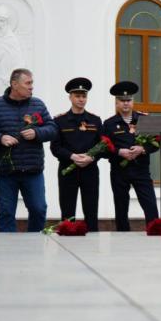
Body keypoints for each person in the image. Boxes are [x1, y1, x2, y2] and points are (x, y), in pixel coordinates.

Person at [0, 68, 58, 232]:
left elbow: (52, 129)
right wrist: (0, 138)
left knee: (38, 209)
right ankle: (7, 252)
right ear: (14, 84)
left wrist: (37, 133)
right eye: (28, 83)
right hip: (6, 171)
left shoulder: (38, 104)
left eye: (32, 83)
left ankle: (34, 245)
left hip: (33, 171)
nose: (31, 87)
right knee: (6, 213)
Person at [102, 81, 159, 231]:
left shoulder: (144, 119)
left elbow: (158, 142)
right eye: (122, 100)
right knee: (121, 208)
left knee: (150, 205)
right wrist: (119, 152)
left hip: (141, 170)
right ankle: (122, 237)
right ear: (116, 102)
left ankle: (155, 233)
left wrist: (142, 149)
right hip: (119, 171)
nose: (126, 103)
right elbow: (103, 149)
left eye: (128, 100)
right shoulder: (109, 124)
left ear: (133, 101)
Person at [50, 77, 103, 231]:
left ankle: (93, 245)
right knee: (67, 212)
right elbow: (55, 147)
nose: (81, 99)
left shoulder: (95, 120)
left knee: (91, 210)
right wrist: (72, 156)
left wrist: (91, 157)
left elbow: (103, 146)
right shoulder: (60, 121)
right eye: (77, 96)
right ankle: (67, 241)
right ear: (70, 97)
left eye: (84, 96)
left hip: (90, 170)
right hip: (68, 169)